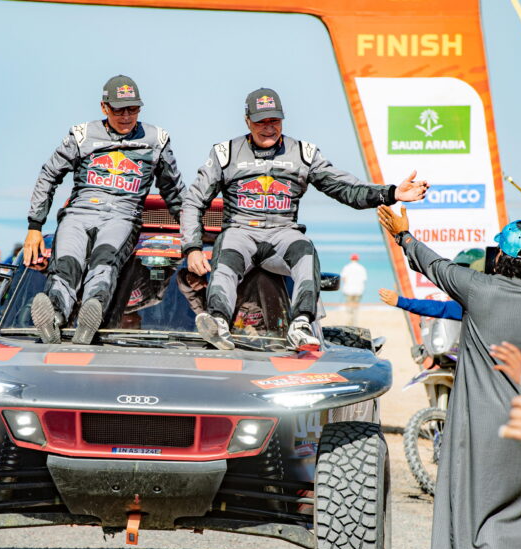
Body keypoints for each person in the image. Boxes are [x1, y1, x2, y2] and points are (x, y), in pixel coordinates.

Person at [377, 205, 521, 549]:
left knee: (474, 517)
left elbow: (435, 266)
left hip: (485, 429)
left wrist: (404, 236)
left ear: (500, 257)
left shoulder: (480, 289)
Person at [181, 87, 429, 351]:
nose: (268, 128)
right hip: (241, 231)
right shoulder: (224, 153)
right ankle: (218, 322)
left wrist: (392, 193)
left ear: (282, 120)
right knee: (227, 250)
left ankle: (300, 325)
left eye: (274, 121)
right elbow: (194, 200)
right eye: (261, 122)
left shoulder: (304, 153)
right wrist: (193, 248)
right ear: (247, 121)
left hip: (283, 233)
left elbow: (347, 189)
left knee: (305, 248)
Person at [23, 75, 185, 345]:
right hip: (78, 213)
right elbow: (49, 174)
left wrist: (191, 239)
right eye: (119, 109)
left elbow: (173, 190)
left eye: (132, 109)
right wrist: (34, 227)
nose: (126, 116)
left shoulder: (156, 139)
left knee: (104, 261)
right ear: (104, 107)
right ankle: (54, 317)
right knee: (66, 265)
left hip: (123, 216)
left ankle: (92, 311)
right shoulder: (82, 135)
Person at [340, 254, 366, 326]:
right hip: (358, 291)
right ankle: (354, 323)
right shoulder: (361, 268)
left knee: (349, 308)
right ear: (357, 259)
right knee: (355, 308)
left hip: (348, 290)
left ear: (351, 259)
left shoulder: (347, 267)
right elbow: (364, 280)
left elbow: (344, 278)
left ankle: (349, 322)